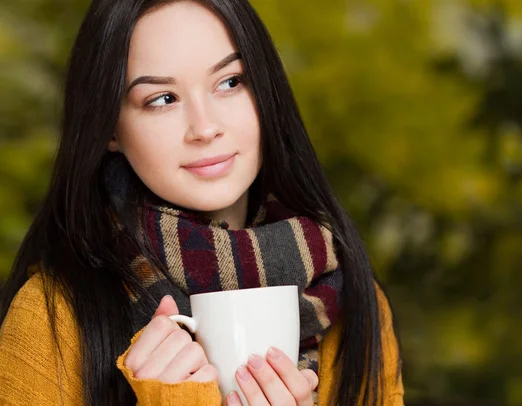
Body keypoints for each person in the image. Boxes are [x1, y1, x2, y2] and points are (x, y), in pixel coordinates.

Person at [0, 0, 404, 405]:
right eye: (162, 99)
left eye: (230, 82)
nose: (205, 128)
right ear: (109, 127)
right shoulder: (51, 317)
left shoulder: (356, 305)